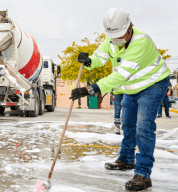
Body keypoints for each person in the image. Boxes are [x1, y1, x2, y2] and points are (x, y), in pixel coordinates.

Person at [70, 7, 170, 191]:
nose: (116, 42)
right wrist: (90, 61)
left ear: (130, 28)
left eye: (120, 36)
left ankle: (143, 174)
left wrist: (90, 89)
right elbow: (101, 56)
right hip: (131, 88)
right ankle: (126, 159)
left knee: (143, 128)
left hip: (152, 85)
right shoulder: (112, 40)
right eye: (113, 38)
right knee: (127, 124)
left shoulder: (141, 42)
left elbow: (120, 76)